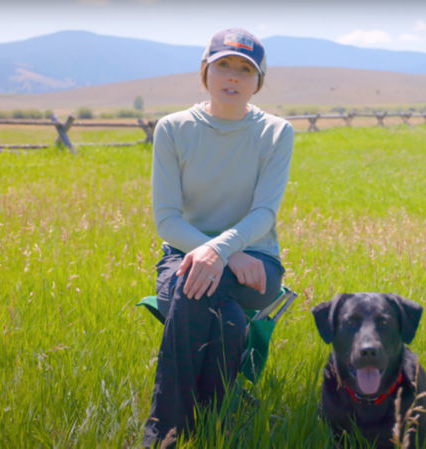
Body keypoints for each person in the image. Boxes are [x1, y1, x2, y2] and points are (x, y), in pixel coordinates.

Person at [142, 28, 293, 447]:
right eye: (222, 64)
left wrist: (222, 251)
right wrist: (219, 254)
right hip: (186, 254)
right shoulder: (173, 129)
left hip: (256, 263)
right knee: (219, 314)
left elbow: (264, 213)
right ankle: (211, 425)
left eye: (245, 69)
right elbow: (168, 219)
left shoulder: (276, 132)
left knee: (190, 293)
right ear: (204, 71)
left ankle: (160, 433)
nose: (232, 76)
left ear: (258, 81)